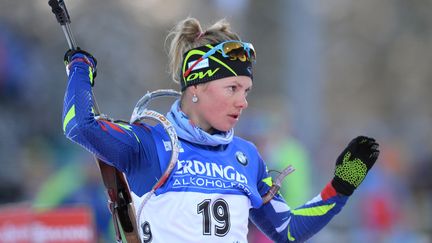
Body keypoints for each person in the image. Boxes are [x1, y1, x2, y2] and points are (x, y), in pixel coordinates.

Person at [61, 17, 380, 243]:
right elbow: (80, 125)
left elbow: (287, 231)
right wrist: (80, 68)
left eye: (246, 91)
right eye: (232, 88)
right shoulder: (150, 142)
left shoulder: (246, 156)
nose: (243, 102)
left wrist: (340, 187)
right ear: (196, 86)